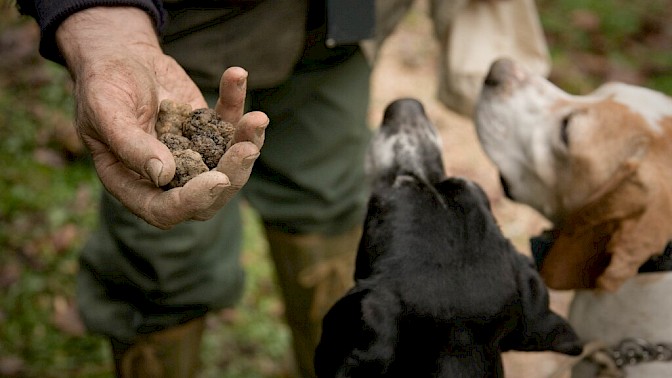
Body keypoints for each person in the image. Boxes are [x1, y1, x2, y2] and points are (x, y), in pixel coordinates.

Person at [15, 0, 418, 377]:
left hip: (334, 23)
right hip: (176, 31)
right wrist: (97, 16)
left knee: (330, 203)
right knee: (164, 262)